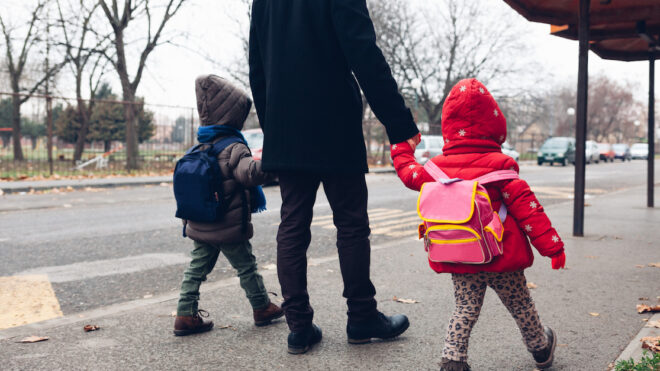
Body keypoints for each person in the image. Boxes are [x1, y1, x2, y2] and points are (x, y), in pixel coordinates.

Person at [248, 0, 421, 354]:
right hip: (334, 123)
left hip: (286, 126)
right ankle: (361, 317)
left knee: (293, 225)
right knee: (351, 223)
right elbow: (364, 53)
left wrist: (274, 128)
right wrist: (399, 123)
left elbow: (258, 67)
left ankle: (298, 326)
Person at [390, 78, 566, 370]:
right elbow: (529, 212)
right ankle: (540, 349)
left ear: (447, 126)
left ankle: (453, 359)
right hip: (501, 255)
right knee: (521, 305)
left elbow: (409, 173)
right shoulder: (502, 168)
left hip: (460, 252)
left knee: (465, 309)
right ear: (496, 126)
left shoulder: (436, 169)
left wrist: (402, 146)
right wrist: (553, 248)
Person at [173, 75, 283, 336]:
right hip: (228, 225)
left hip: (201, 224)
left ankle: (184, 314)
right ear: (233, 116)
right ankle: (261, 307)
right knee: (246, 266)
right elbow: (251, 175)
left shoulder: (200, 145)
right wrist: (274, 161)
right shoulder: (234, 146)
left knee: (196, 269)